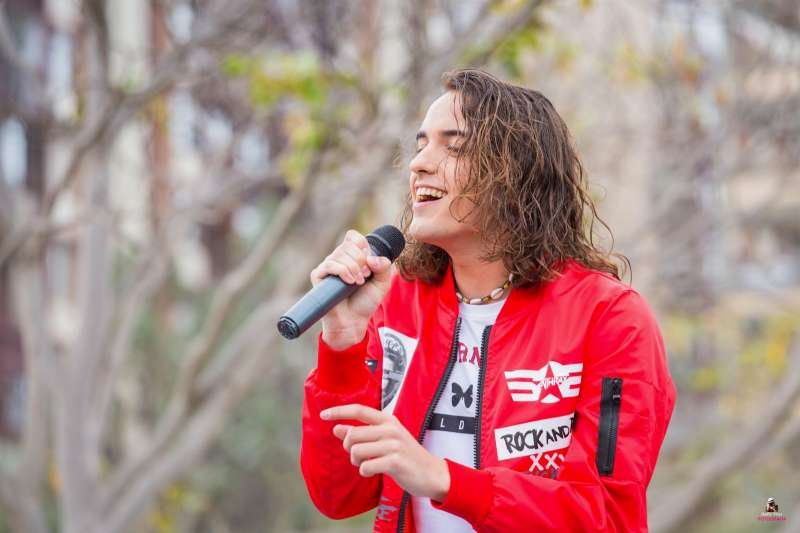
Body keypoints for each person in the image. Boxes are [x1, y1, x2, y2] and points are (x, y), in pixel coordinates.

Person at [299, 68, 677, 532]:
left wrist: (445, 480)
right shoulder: (397, 303)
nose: (419, 164)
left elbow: (609, 516)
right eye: (421, 145)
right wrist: (342, 342)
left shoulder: (610, 317)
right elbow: (338, 495)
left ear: (515, 174)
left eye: (454, 147)